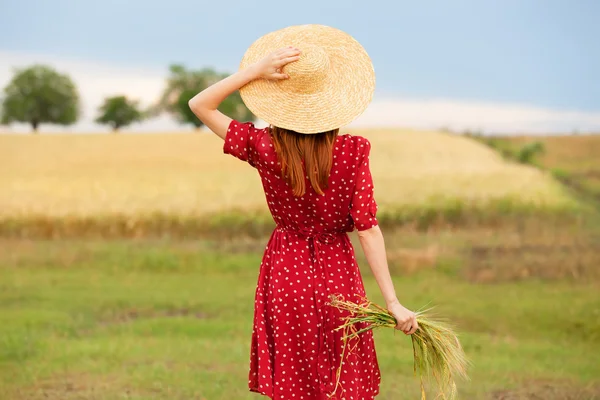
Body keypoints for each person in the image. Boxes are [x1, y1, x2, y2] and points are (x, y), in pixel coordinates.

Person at [188, 24, 418, 400]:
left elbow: (199, 104)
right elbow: (368, 229)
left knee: (295, 381)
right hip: (337, 273)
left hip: (285, 269)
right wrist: (392, 302)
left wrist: (254, 71)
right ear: (335, 102)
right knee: (341, 376)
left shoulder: (263, 146)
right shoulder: (354, 152)